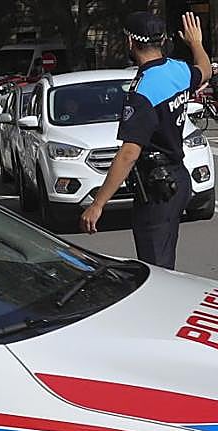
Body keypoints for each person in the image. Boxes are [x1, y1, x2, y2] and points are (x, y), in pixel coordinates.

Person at [80, 12, 212, 269]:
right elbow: (205, 70)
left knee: (157, 267)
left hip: (157, 189)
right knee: (165, 256)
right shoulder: (178, 69)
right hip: (178, 179)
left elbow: (129, 153)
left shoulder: (143, 91)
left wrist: (98, 204)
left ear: (130, 41)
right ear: (162, 40)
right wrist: (196, 43)